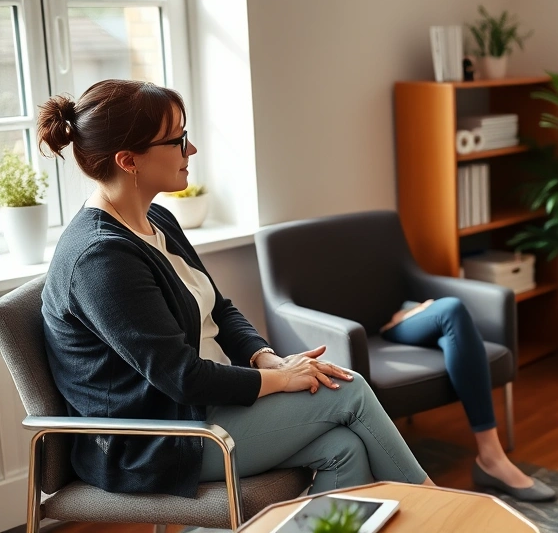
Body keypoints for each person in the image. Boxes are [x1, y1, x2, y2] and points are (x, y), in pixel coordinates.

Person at [39, 79, 432, 498]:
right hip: (154, 441)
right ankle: (442, 512)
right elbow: (183, 379)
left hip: (201, 409)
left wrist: (267, 359)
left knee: (344, 448)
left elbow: (219, 309)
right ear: (128, 160)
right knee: (347, 390)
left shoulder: (157, 220)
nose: (191, 150)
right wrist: (282, 380)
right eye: (178, 140)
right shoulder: (101, 259)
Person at [380, 298, 556, 501]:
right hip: (394, 322)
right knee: (452, 308)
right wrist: (411, 313)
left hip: (413, 309)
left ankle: (491, 460)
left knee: (453, 336)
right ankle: (492, 458)